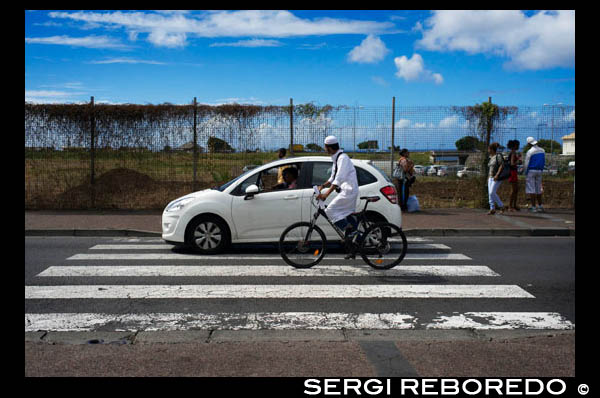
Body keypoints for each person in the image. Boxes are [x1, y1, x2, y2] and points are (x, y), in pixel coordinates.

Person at [316, 135, 360, 259]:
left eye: (325, 147)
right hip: (346, 191)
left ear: (329, 147)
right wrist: (322, 186)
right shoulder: (337, 158)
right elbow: (333, 177)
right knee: (346, 215)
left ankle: (353, 234)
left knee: (330, 211)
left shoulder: (343, 158)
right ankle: (353, 246)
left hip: (348, 191)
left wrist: (326, 194)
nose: (325, 149)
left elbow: (339, 179)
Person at [523, 136, 545, 213]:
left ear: (529, 144)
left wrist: (525, 172)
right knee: (538, 189)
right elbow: (543, 161)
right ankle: (540, 206)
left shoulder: (530, 152)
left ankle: (533, 207)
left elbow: (526, 163)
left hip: (531, 171)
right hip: (539, 170)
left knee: (531, 189)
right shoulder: (542, 150)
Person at [487, 142, 505, 215]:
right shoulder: (491, 157)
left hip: (497, 177)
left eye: (489, 149)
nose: (488, 150)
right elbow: (490, 168)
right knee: (490, 194)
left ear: (491, 149)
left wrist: (497, 174)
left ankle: (501, 206)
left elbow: (502, 165)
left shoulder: (498, 156)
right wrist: (488, 178)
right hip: (490, 177)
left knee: (492, 192)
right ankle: (492, 209)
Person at [507, 140, 522, 212]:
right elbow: (512, 163)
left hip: (514, 172)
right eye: (518, 145)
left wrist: (518, 159)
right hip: (512, 172)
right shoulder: (513, 153)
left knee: (516, 190)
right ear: (515, 146)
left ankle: (514, 205)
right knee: (513, 190)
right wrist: (518, 159)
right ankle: (510, 206)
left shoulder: (513, 152)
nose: (519, 147)